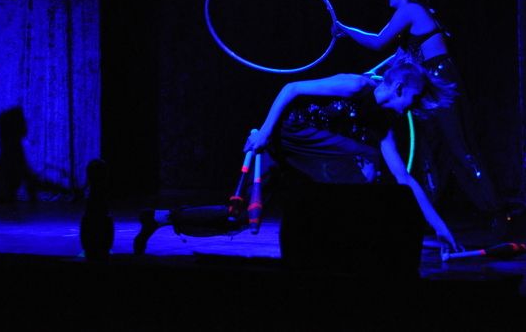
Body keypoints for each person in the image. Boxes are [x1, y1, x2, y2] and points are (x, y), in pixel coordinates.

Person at [134, 62, 461, 254]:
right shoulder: (355, 85)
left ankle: (160, 218)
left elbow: (404, 178)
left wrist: (440, 227)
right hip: (290, 136)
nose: (413, 108)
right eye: (414, 98)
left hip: (307, 154)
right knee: (366, 161)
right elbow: (291, 88)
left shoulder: (384, 121)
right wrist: (264, 133)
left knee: (240, 219)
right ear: (400, 87)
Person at [332, 0, 506, 232]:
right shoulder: (413, 17)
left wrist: (342, 28)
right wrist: (372, 72)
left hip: (439, 78)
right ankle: (426, 212)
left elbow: (378, 42)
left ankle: (495, 210)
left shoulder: (411, 10)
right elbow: (400, 58)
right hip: (425, 80)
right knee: (428, 148)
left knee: (458, 145)